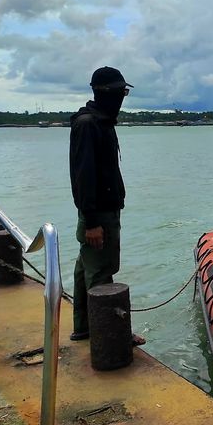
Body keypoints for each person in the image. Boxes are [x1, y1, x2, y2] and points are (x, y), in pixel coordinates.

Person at [69, 66, 144, 345]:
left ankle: (84, 328)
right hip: (98, 213)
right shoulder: (89, 125)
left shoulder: (99, 122)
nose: (122, 98)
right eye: (120, 92)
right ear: (104, 93)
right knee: (101, 272)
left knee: (85, 269)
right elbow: (84, 176)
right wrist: (91, 221)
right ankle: (111, 338)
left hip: (99, 211)